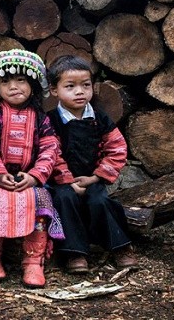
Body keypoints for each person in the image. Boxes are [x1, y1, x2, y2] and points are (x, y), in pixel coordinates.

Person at [0, 49, 64, 288]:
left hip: (31, 180)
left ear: (33, 84)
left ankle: (33, 261)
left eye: (21, 80)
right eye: (5, 81)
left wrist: (36, 176)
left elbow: (50, 148)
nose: (14, 86)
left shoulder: (40, 118)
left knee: (41, 204)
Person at [46, 55, 138, 274]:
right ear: (54, 90)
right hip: (62, 182)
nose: (80, 92)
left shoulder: (99, 118)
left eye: (85, 85)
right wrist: (69, 181)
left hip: (91, 177)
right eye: (70, 86)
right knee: (64, 200)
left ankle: (120, 246)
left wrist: (95, 178)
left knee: (101, 200)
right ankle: (75, 253)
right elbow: (51, 152)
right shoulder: (51, 121)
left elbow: (117, 148)